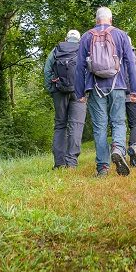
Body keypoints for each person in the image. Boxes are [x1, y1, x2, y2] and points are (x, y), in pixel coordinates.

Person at [75, 7, 136, 177]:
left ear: (96, 20)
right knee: (118, 122)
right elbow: (130, 65)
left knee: (99, 127)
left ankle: (103, 168)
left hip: (94, 86)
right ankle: (118, 148)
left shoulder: (86, 36)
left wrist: (79, 92)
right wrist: (134, 89)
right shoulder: (121, 35)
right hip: (117, 86)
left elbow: (79, 67)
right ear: (111, 20)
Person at [43, 30, 86, 169]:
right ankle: (71, 162)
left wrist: (52, 89)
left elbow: (47, 71)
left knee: (60, 125)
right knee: (76, 125)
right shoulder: (83, 49)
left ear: (66, 38)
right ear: (79, 39)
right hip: (79, 92)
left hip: (59, 90)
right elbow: (90, 70)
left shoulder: (56, 50)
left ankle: (59, 163)